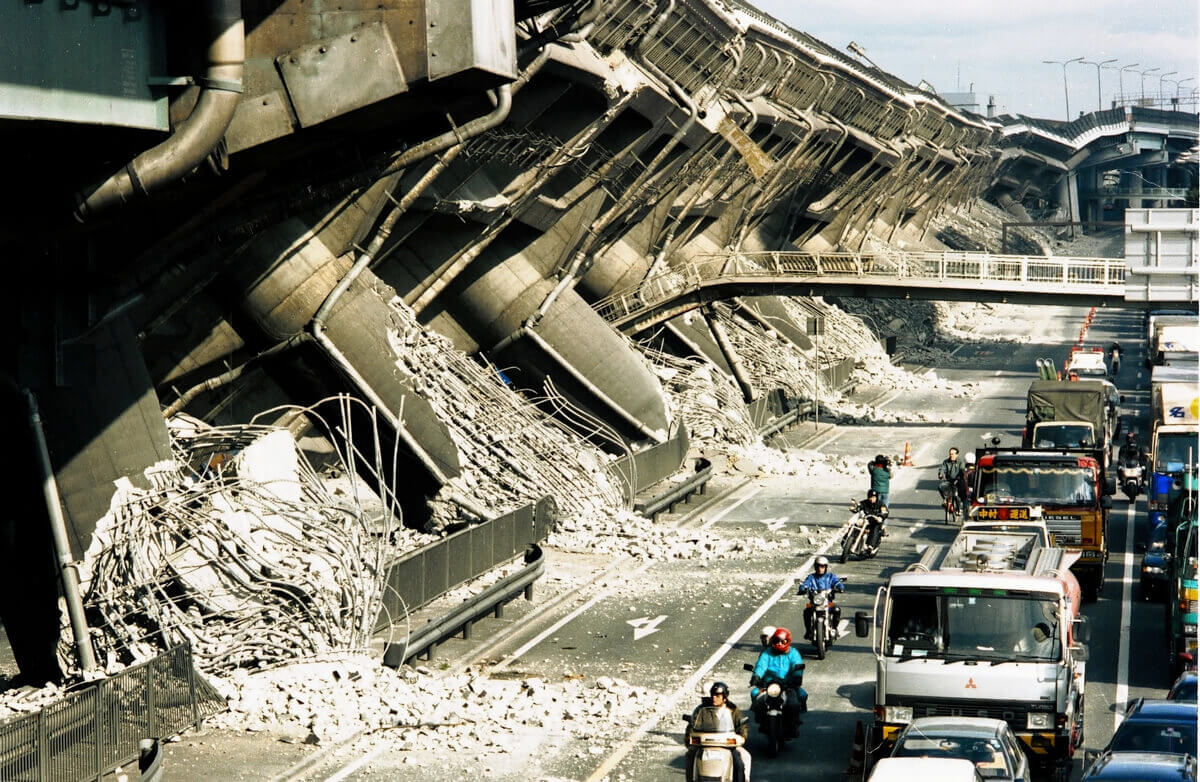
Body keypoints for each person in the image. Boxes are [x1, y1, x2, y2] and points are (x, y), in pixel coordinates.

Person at [686, 681, 750, 782]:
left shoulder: (733, 710)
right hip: (704, 745)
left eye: (718, 695)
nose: (714, 698)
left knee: (742, 760)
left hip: (727, 746)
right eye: (713, 695)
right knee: (690, 756)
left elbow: (742, 725)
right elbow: (692, 726)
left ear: (724, 697)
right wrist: (689, 738)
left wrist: (742, 736)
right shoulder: (702, 710)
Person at [750, 628, 807, 737]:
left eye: (783, 641)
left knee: (796, 701)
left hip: (788, 685)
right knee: (755, 696)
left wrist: (797, 677)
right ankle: (761, 720)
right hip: (769, 685)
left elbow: (797, 665)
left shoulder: (794, 653)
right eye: (777, 641)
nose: (779, 644)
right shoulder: (767, 653)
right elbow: (761, 666)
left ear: (788, 641)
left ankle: (794, 724)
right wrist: (756, 676)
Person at [799, 556, 845, 641]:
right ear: (815, 567)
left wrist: (840, 587)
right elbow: (805, 584)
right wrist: (803, 588)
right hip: (813, 603)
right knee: (807, 610)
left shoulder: (830, 576)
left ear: (826, 567)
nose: (820, 568)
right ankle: (808, 631)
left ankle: (835, 628)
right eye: (818, 566)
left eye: (823, 566)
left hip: (828, 603)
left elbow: (837, 582)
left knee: (837, 609)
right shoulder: (811, 577)